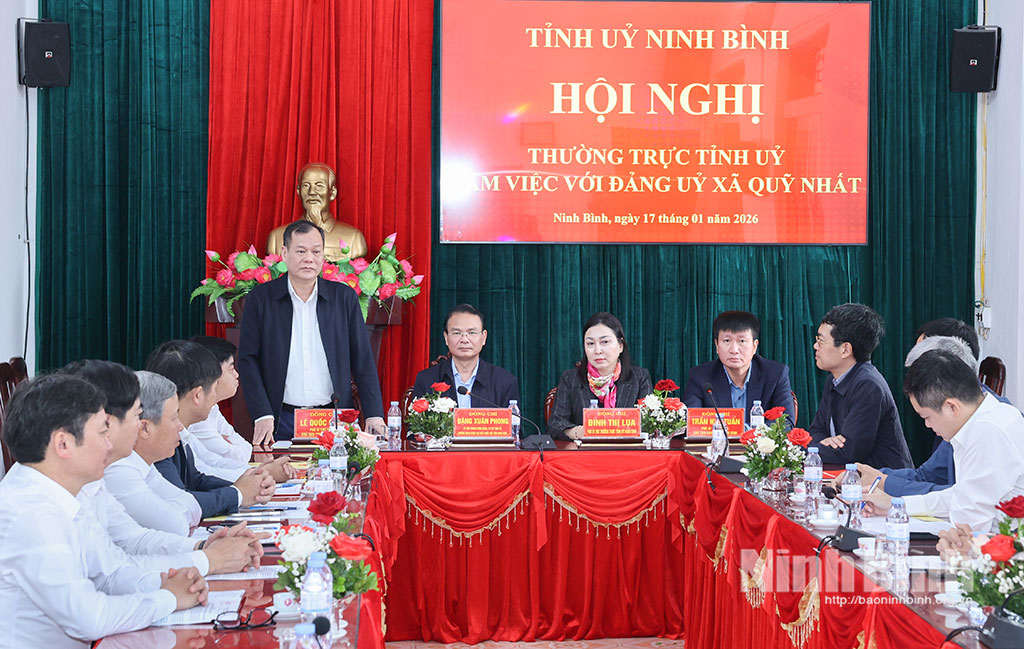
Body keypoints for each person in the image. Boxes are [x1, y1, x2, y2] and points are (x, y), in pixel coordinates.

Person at [0, 374, 207, 649]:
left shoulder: (63, 492)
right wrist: (169, 597)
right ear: (63, 444)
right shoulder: (32, 513)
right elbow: (90, 618)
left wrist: (169, 583)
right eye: (101, 433)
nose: (109, 445)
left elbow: (111, 573)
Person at [59, 362, 259, 576]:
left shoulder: (95, 479)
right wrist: (209, 559)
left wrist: (204, 548)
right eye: (135, 417)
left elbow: (133, 540)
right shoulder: (49, 502)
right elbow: (107, 579)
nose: (138, 426)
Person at [238, 220, 386, 446]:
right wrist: (262, 413)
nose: (309, 258)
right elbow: (248, 360)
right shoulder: (261, 299)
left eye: (316, 252)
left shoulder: (343, 298)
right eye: (301, 251)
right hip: (280, 418)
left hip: (333, 417)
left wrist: (374, 413)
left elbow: (362, 358)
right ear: (284, 253)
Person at [863, 350, 1024, 531]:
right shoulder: (989, 416)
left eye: (926, 417)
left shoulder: (988, 431)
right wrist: (897, 505)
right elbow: (961, 496)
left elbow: (969, 523)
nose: (927, 425)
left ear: (951, 407)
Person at [148, 341, 275, 517]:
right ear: (198, 395)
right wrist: (238, 493)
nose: (215, 397)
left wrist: (249, 486)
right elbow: (181, 504)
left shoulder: (180, 430)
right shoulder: (157, 439)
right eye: (215, 388)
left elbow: (197, 478)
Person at [808, 303, 913, 469]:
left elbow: (849, 451)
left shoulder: (868, 386)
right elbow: (816, 430)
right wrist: (823, 443)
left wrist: (807, 450)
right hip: (852, 477)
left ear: (845, 349)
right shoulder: (834, 379)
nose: (815, 346)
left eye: (821, 341)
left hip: (884, 479)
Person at [187, 336, 294, 482]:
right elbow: (229, 458)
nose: (237, 375)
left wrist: (259, 471)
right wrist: (264, 473)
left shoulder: (212, 408)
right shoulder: (197, 418)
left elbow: (244, 449)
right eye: (231, 369)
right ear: (211, 373)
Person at [546, 312, 652, 441]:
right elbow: (555, 425)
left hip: (626, 451)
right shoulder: (570, 379)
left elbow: (649, 425)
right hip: (584, 452)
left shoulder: (639, 378)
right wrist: (579, 432)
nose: (597, 350)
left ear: (620, 346)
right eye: (590, 343)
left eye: (605, 342)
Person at [682, 310, 795, 425]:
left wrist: (748, 433)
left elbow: (786, 422)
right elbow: (691, 423)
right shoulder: (700, 376)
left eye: (742, 341)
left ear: (754, 346)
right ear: (717, 345)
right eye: (727, 341)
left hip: (758, 438)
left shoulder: (776, 374)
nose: (734, 350)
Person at [411, 304, 520, 409]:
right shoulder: (426, 379)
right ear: (446, 338)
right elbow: (417, 421)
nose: (464, 340)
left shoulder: (504, 382)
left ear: (484, 337)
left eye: (472, 333)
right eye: (457, 333)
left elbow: (513, 421)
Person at [266, 163, 368, 262]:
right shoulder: (276, 238)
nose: (312, 192)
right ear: (298, 192)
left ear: (332, 193)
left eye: (319, 186)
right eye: (306, 185)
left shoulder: (354, 239)